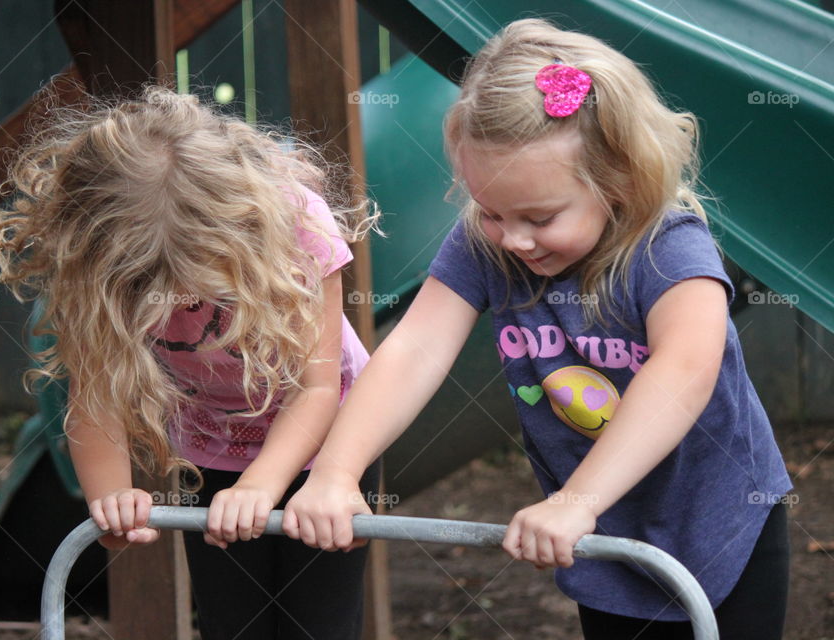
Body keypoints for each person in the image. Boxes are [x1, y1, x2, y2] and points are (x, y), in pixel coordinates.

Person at [282, 18, 792, 640]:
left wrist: (577, 500)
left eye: (540, 217)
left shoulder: (670, 248)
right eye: (491, 211)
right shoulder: (485, 243)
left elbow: (683, 371)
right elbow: (414, 349)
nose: (513, 238)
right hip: (599, 529)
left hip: (722, 521)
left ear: (619, 179)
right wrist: (335, 471)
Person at [0, 84, 380, 640]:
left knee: (319, 623)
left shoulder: (295, 227)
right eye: (150, 285)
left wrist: (259, 486)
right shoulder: (96, 267)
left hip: (329, 434)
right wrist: (110, 502)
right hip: (213, 442)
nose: (176, 301)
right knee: (231, 621)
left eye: (193, 280)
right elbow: (95, 396)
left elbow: (317, 387)